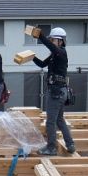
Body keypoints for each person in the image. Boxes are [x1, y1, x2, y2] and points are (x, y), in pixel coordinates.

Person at [30, 26, 76, 156]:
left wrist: (40, 36)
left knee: (51, 121)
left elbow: (52, 48)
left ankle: (52, 147)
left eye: (53, 39)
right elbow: (42, 64)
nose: (51, 41)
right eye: (50, 39)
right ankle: (70, 144)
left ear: (60, 41)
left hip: (56, 92)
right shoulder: (54, 55)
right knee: (59, 120)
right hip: (60, 91)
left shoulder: (61, 52)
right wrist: (32, 57)